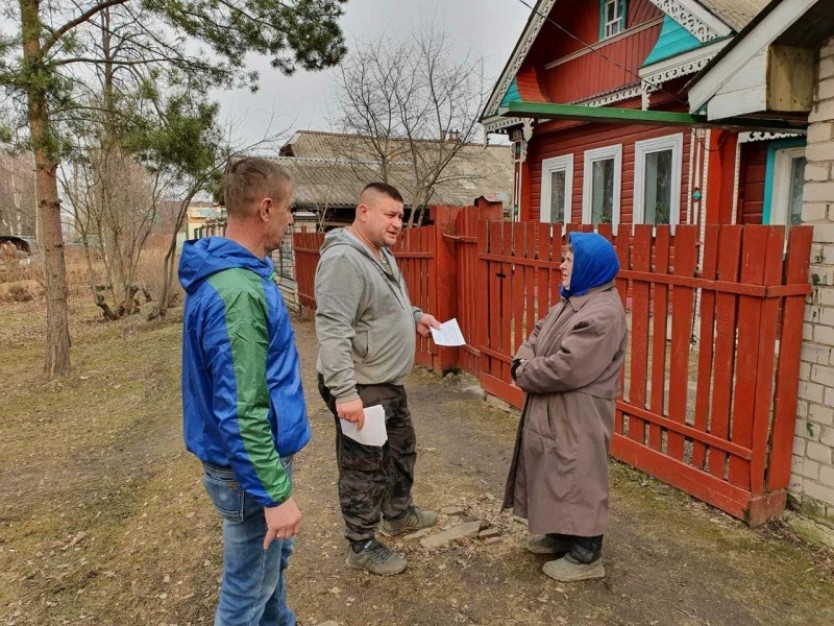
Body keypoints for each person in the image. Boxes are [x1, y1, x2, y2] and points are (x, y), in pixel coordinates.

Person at [179, 157, 309, 625]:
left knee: (268, 575)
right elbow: (240, 409)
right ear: (266, 208)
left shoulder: (245, 274)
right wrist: (274, 495)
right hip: (250, 470)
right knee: (246, 594)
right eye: (289, 209)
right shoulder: (238, 293)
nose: (291, 220)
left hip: (253, 464)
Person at [315, 182, 441, 576]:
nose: (398, 223)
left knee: (401, 451)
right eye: (390, 214)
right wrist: (344, 393)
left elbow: (384, 306)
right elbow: (333, 330)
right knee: (364, 467)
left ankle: (397, 514)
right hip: (360, 385)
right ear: (363, 211)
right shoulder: (343, 260)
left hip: (387, 382)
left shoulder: (380, 253)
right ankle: (362, 545)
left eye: (400, 216)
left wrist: (415, 316)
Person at [504, 231, 627, 583]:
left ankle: (588, 553)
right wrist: (523, 358)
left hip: (581, 413)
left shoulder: (603, 313)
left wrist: (523, 371)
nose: (561, 265)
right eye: (564, 259)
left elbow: (568, 367)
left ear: (590, 266)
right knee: (555, 470)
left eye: (569, 260)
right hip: (558, 407)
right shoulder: (574, 300)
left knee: (579, 474)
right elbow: (537, 333)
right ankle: (562, 534)